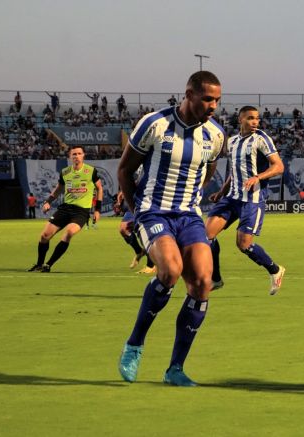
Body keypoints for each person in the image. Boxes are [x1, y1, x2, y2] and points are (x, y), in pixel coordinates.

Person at [117, 70, 225, 387]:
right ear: (188, 94)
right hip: (153, 211)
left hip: (189, 215)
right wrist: (137, 212)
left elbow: (210, 169)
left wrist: (191, 196)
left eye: (217, 100)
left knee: (203, 282)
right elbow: (125, 170)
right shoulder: (156, 124)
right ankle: (135, 344)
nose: (213, 106)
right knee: (170, 271)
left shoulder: (215, 135)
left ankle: (175, 369)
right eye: (207, 99)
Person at [205, 105, 286, 295]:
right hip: (232, 198)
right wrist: (221, 193)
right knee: (205, 236)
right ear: (240, 120)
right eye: (250, 118)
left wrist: (258, 177)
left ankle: (275, 270)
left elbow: (279, 166)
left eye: (257, 118)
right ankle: (215, 279)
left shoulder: (261, 139)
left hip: (252, 199)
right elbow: (234, 173)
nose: (255, 122)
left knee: (243, 245)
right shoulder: (232, 142)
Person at [27, 146, 103, 272]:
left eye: (79, 153)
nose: (76, 156)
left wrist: (97, 210)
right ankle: (39, 264)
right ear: (70, 157)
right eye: (74, 154)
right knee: (44, 236)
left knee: (69, 233)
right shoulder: (65, 172)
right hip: (65, 209)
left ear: (83, 155)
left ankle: (48, 264)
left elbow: (99, 188)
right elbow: (58, 190)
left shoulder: (91, 171)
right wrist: (48, 202)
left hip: (81, 212)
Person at [114, 188, 155, 273]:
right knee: (123, 229)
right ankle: (139, 251)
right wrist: (120, 197)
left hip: (146, 202)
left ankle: (151, 265)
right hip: (132, 204)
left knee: (146, 231)